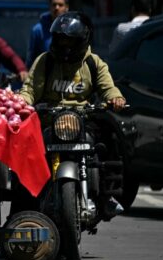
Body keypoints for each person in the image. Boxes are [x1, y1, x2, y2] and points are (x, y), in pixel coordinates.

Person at [16, 11, 126, 218]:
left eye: (70, 40)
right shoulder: (45, 61)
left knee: (109, 143)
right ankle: (21, 213)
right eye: (61, 39)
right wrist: (22, 102)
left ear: (82, 40)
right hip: (49, 121)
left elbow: (108, 88)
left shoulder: (94, 63)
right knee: (25, 157)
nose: (65, 45)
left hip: (83, 120)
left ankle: (107, 197)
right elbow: (30, 90)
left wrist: (115, 98)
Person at [26, 0, 69, 68]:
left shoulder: (72, 28)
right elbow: (31, 58)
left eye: (60, 5)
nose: (57, 8)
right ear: (49, 6)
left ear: (67, 7)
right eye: (54, 4)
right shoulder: (38, 30)